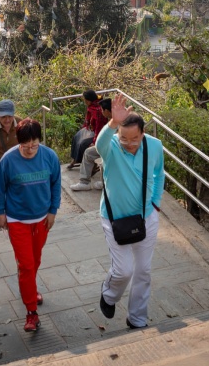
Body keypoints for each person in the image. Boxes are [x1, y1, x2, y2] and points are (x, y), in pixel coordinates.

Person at [95, 94, 165, 329]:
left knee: (143, 270)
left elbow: (159, 173)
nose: (129, 143)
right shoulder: (112, 147)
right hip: (114, 218)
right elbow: (99, 144)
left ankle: (137, 318)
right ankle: (109, 295)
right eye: (124, 138)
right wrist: (113, 123)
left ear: (143, 134)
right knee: (124, 270)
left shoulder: (154, 146)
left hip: (146, 216)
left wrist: (155, 203)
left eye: (134, 139)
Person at [0, 119, 60, 332]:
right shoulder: (8, 160)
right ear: (18, 141)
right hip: (17, 220)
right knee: (26, 265)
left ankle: (30, 288)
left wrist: (53, 211)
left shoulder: (49, 157)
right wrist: (0, 213)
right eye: (25, 145)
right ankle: (31, 311)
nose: (30, 149)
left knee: (35, 260)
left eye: (34, 144)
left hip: (41, 218)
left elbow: (56, 184)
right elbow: (0, 189)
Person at [71, 98, 112, 190]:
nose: (101, 111)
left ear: (106, 110)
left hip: (115, 148)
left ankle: (105, 182)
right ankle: (84, 182)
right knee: (88, 152)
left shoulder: (117, 121)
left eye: (102, 110)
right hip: (104, 145)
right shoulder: (110, 118)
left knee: (105, 157)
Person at [69, 90, 105, 168]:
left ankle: (85, 163)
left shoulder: (98, 110)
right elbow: (87, 120)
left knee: (83, 143)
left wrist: (95, 141)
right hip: (90, 129)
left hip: (97, 132)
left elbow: (99, 127)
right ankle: (74, 159)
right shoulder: (91, 107)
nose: (84, 101)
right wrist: (84, 129)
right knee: (76, 137)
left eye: (85, 100)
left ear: (89, 100)